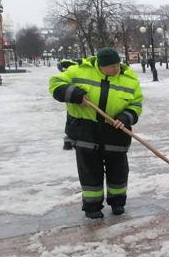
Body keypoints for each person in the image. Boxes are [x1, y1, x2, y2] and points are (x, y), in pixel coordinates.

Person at [49, 48, 143, 219]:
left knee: (119, 171)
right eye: (111, 66)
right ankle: (92, 207)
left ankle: (118, 203)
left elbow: (136, 104)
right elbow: (55, 83)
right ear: (100, 66)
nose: (115, 69)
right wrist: (74, 94)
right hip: (86, 131)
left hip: (116, 132)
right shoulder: (79, 71)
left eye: (117, 65)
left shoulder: (129, 79)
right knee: (90, 170)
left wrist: (125, 117)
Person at [56, 58, 81, 150]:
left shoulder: (75, 70)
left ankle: (69, 141)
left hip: (76, 99)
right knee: (72, 120)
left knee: (72, 120)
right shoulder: (71, 71)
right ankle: (69, 141)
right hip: (73, 100)